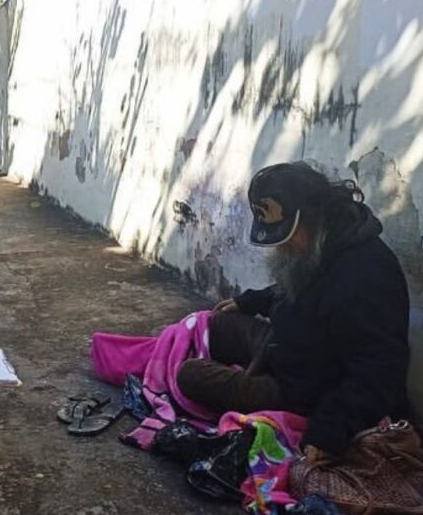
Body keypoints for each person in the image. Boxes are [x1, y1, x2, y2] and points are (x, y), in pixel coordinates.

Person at [176, 162, 410, 462]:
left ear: (315, 217)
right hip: (285, 348)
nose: (282, 244)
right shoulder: (324, 245)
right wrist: (251, 301)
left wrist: (327, 432)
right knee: (220, 322)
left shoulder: (365, 274)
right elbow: (294, 289)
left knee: (190, 374)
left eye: (287, 232)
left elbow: (378, 372)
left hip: (303, 389)